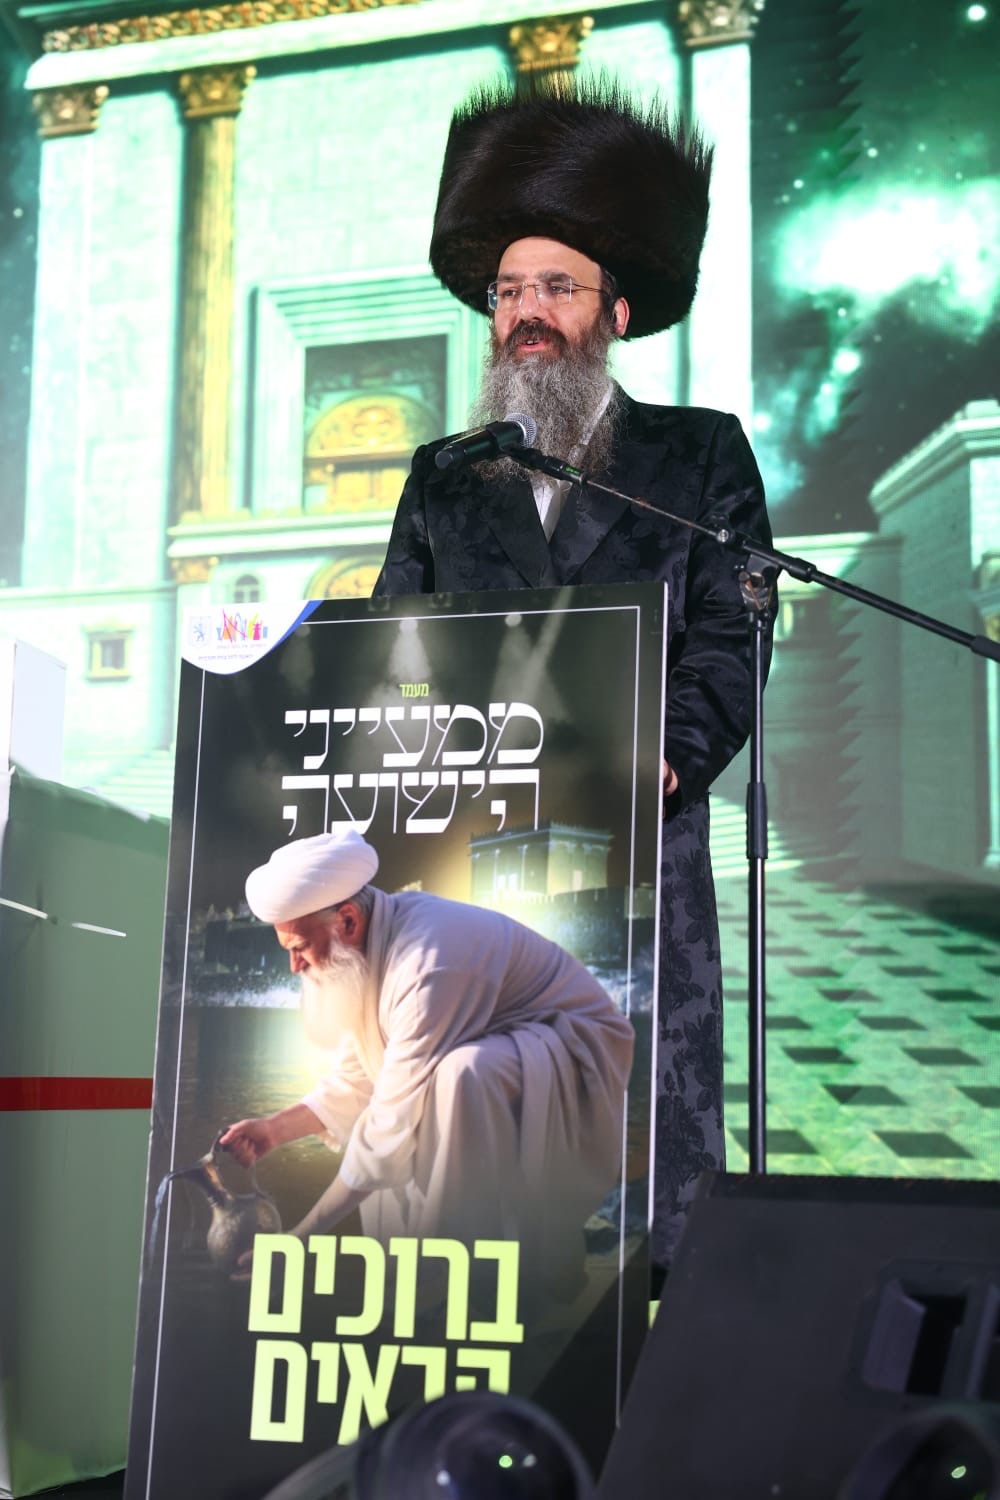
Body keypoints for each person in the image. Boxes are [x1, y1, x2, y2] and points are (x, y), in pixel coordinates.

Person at [371, 76, 775, 1269]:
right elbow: (392, 645)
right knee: (484, 1143)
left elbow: (733, 631)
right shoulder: (445, 474)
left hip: (642, 841)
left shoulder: (696, 452)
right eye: (508, 291)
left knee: (650, 1145)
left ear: (617, 310)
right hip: (471, 860)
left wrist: (673, 756)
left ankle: (669, 1344)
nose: (526, 313)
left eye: (556, 286)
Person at [220, 829, 634, 1288]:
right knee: (430, 1088)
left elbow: (387, 1124)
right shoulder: (369, 949)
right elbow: (360, 1076)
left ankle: (461, 1271)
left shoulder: (426, 962)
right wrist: (274, 1130)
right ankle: (439, 1271)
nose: (295, 966)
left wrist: (300, 1239)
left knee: (461, 1075)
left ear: (348, 921)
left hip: (577, 1054)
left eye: (299, 948)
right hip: (510, 1047)